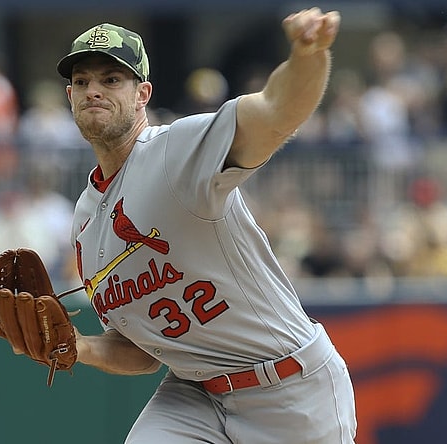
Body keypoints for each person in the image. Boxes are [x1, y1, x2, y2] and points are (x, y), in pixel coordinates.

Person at [55, 8, 356, 443]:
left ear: (143, 94)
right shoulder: (85, 219)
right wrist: (77, 347)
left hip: (289, 389)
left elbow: (275, 112)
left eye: (111, 79)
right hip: (194, 393)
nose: (93, 91)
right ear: (69, 96)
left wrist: (308, 56)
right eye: (81, 82)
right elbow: (140, 351)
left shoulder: (177, 152)